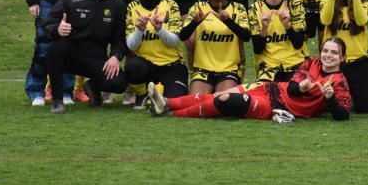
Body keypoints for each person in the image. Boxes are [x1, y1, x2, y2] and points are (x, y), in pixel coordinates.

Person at [147, 37, 351, 121]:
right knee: (219, 95)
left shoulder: (339, 81)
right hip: (269, 88)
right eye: (326, 50)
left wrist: (330, 98)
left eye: (334, 53)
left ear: (342, 57)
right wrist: (301, 87)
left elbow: (343, 115)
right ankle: (166, 102)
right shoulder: (311, 62)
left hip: (274, 107)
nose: (328, 55)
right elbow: (291, 89)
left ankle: (171, 114)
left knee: (225, 100)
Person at [43, 0, 129, 114]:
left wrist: (116, 56)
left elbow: (119, 37)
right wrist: (57, 29)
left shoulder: (116, 4)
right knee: (56, 46)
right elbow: (48, 23)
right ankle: (57, 100)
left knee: (119, 83)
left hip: (96, 58)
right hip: (70, 55)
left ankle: (92, 87)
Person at [177, 0, 251, 95]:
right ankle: (167, 103)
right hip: (203, 69)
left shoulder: (238, 8)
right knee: (196, 102)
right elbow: (183, 36)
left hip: (229, 69)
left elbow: (246, 36)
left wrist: (228, 21)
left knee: (222, 100)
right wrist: (195, 22)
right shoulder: (198, 8)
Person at [124, 0, 188, 109]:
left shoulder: (170, 4)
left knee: (175, 102)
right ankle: (142, 95)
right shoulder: (132, 7)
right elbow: (131, 46)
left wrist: (159, 29)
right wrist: (140, 30)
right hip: (146, 66)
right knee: (132, 65)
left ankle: (156, 94)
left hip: (172, 65)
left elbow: (173, 42)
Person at [248, 0, 308, 82]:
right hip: (268, 66)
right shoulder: (254, 9)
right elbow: (258, 49)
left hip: (295, 63)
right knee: (268, 92)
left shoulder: (295, 4)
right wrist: (264, 28)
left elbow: (298, 44)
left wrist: (287, 26)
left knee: (295, 90)